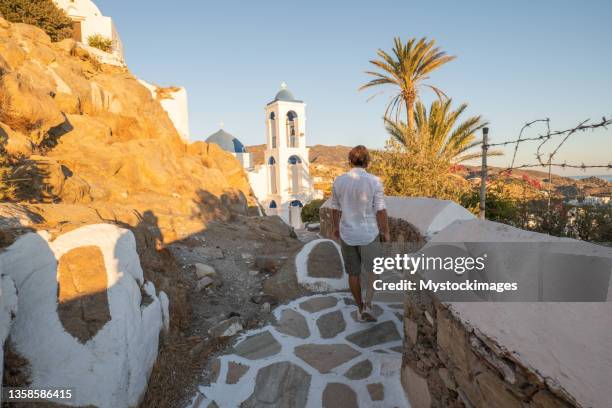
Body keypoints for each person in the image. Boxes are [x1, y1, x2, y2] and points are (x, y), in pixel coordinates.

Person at [329, 145, 389, 322]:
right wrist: (385, 232)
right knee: (374, 270)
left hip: (347, 234)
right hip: (369, 233)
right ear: (368, 162)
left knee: (353, 274)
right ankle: (369, 305)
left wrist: (336, 227)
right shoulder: (374, 181)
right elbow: (380, 210)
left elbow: (334, 207)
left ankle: (360, 307)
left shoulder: (339, 181)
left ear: (350, 161)